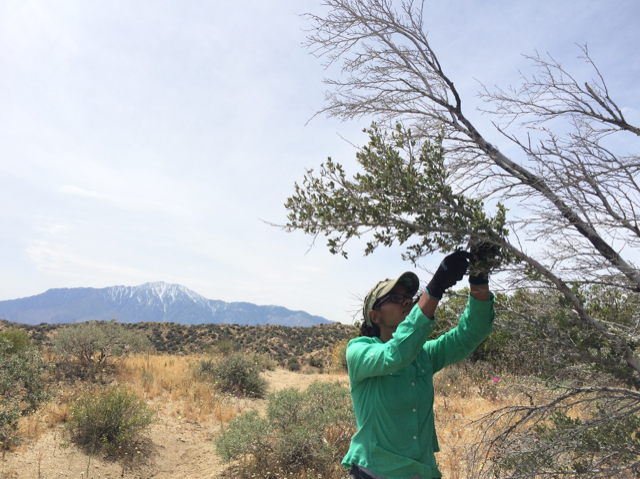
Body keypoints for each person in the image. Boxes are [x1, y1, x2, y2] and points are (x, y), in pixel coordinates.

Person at [343, 248, 496, 479]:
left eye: (408, 298)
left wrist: (479, 280)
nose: (405, 302)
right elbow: (395, 354)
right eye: (395, 298)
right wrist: (433, 290)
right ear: (375, 316)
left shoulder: (423, 354)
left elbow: (472, 332)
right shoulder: (358, 350)